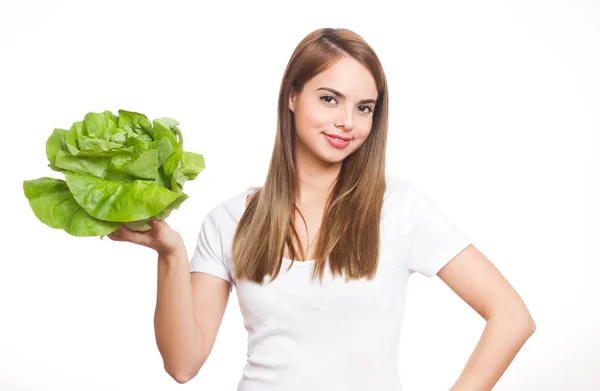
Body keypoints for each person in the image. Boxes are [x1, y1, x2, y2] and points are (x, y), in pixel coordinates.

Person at [108, 27, 536, 391]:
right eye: (330, 99)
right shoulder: (231, 219)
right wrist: (170, 253)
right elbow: (182, 365)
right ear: (292, 97)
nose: (348, 121)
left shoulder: (400, 208)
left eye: (363, 107)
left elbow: (512, 316)